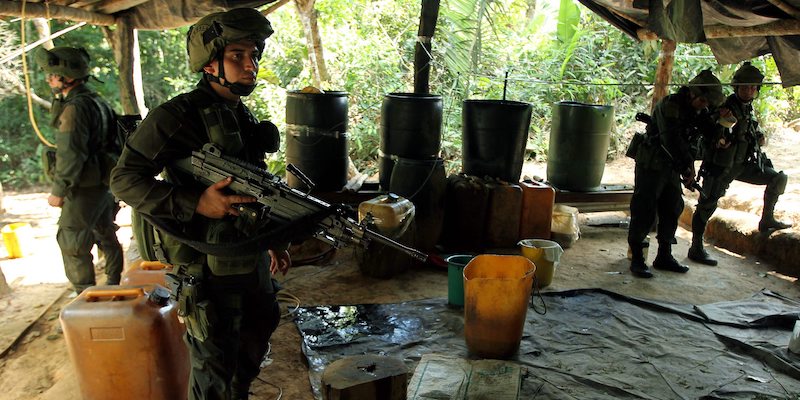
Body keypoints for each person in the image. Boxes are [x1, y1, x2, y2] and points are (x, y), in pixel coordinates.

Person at [110, 8, 290, 400]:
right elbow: (124, 179)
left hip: (246, 257)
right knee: (215, 371)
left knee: (255, 337)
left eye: (254, 55)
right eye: (238, 56)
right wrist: (195, 202)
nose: (250, 65)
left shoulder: (237, 113)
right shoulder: (175, 116)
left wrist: (272, 239)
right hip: (206, 269)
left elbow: (255, 187)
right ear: (210, 64)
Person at [35, 46, 123, 294]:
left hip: (84, 187)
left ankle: (85, 297)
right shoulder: (96, 101)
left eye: (53, 75)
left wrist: (59, 190)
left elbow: (71, 154)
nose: (49, 79)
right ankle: (114, 284)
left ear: (67, 77)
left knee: (72, 240)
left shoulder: (75, 108)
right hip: (102, 184)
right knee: (105, 231)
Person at [688, 62, 792, 266]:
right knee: (707, 204)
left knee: (778, 178)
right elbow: (710, 132)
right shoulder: (725, 107)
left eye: (753, 87)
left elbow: (749, 131)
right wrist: (721, 134)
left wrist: (758, 137)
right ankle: (696, 246)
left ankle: (767, 219)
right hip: (722, 165)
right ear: (736, 88)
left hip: (744, 164)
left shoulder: (746, 108)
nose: (749, 90)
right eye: (745, 86)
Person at [628, 69, 725, 278]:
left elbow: (709, 135)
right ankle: (637, 257)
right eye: (703, 101)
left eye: (708, 103)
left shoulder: (700, 110)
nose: (704, 106)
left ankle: (664, 255)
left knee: (672, 207)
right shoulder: (670, 105)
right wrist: (686, 168)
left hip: (672, 166)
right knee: (644, 208)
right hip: (652, 162)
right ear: (692, 94)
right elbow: (670, 140)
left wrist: (722, 122)